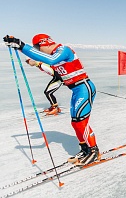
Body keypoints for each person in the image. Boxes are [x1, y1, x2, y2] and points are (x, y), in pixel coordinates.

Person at [4, 34, 100, 165]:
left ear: (43, 43)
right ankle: (85, 149)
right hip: (76, 90)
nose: (37, 51)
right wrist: (19, 47)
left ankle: (94, 151)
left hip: (84, 88)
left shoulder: (64, 50)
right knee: (75, 122)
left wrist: (22, 45)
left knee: (80, 122)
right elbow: (50, 66)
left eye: (37, 49)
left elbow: (51, 60)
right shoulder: (55, 57)